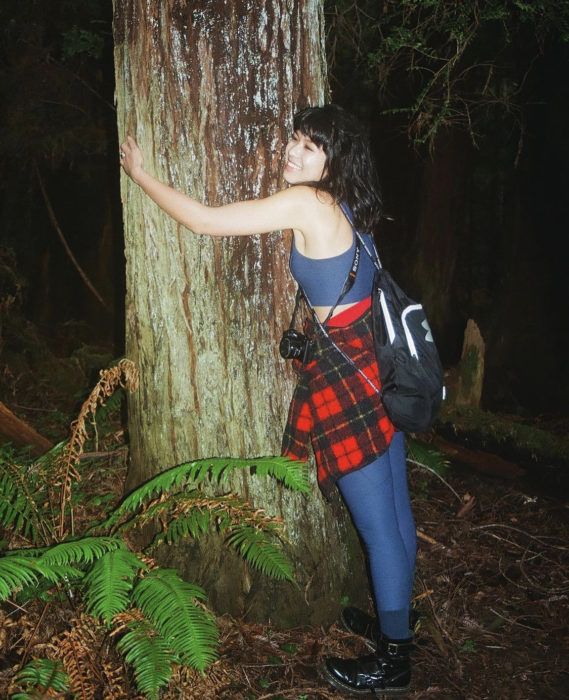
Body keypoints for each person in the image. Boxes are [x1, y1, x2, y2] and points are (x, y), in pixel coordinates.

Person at [120, 104, 417, 696]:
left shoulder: (307, 201)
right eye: (293, 139)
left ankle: (395, 659)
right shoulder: (354, 206)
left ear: (332, 160)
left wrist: (141, 174)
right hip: (378, 372)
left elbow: (205, 222)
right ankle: (397, 621)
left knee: (377, 525)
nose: (291, 151)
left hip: (346, 380)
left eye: (308, 146)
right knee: (396, 510)